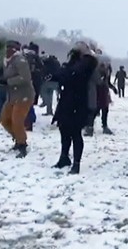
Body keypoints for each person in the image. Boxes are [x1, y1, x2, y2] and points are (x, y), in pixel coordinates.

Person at [51, 42, 98, 174]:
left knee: (75, 133)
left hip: (79, 102)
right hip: (67, 100)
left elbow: (73, 74)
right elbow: (63, 74)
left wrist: (65, 73)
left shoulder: (88, 63)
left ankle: (76, 163)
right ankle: (64, 157)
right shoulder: (74, 63)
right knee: (64, 130)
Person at [0, 41, 34, 158]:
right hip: (12, 95)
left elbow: (25, 77)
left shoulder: (20, 60)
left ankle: (22, 144)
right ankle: (18, 138)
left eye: (9, 48)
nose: (7, 50)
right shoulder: (7, 61)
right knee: (5, 119)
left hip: (24, 95)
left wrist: (8, 81)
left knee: (17, 120)